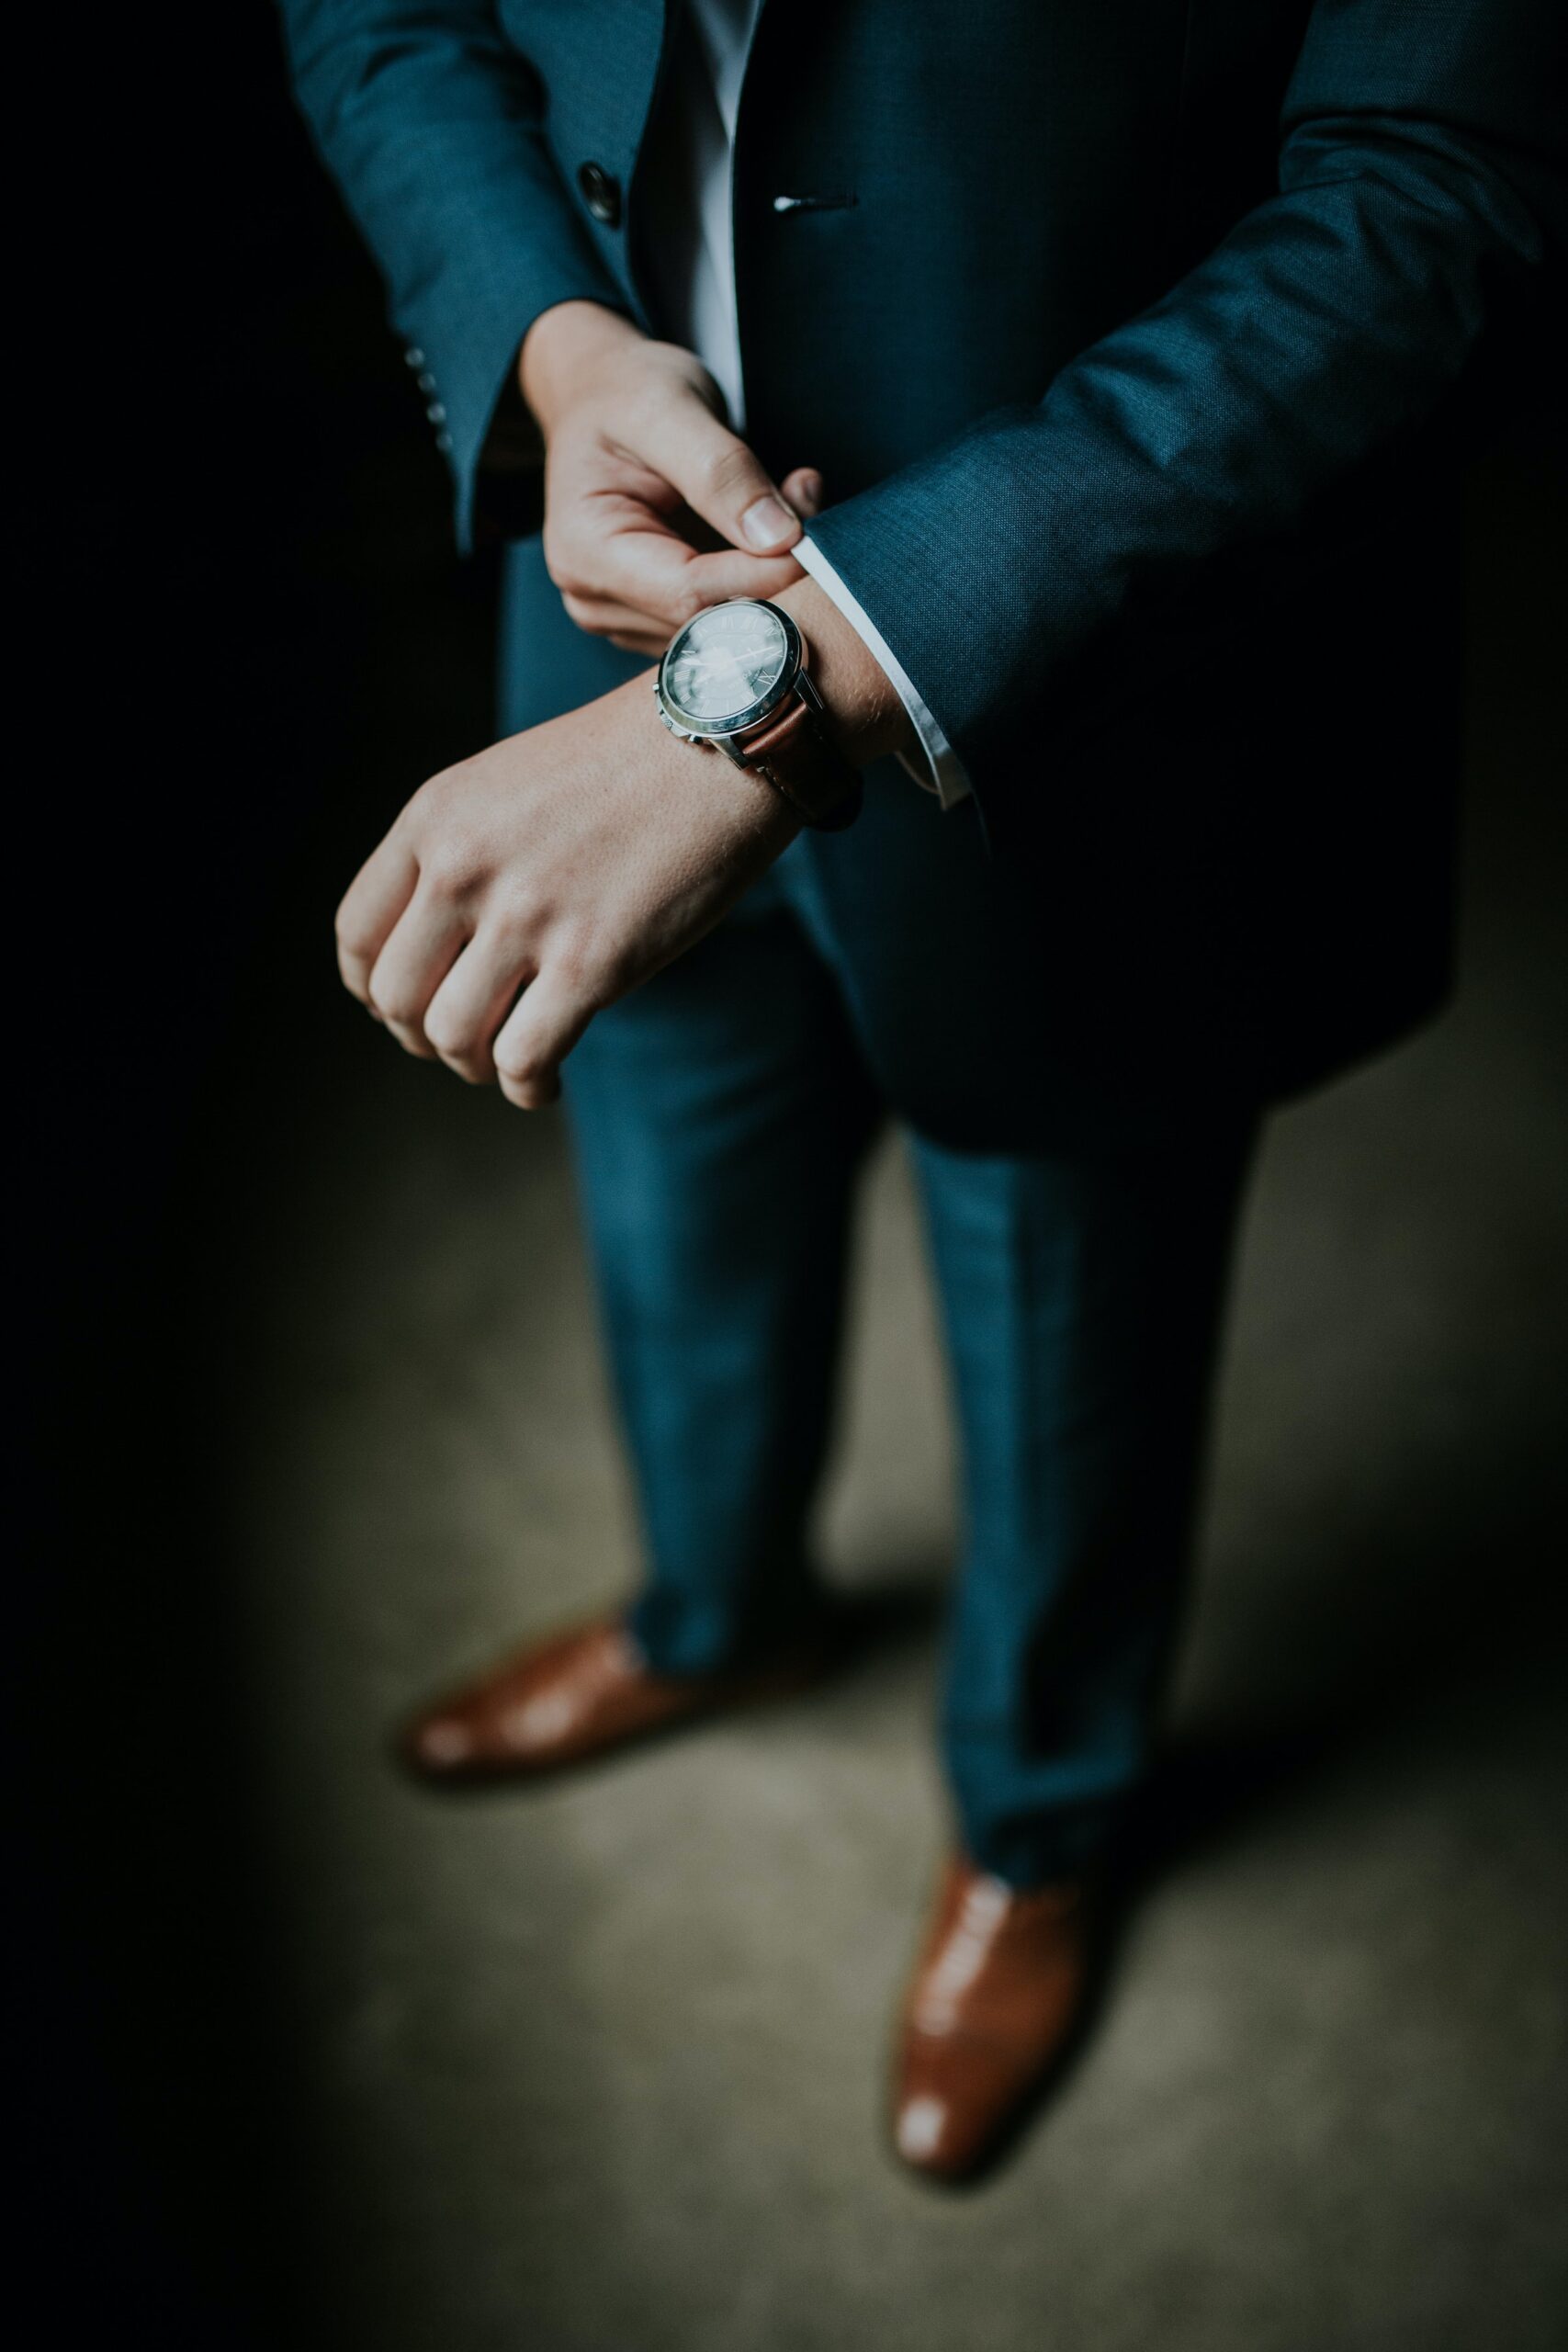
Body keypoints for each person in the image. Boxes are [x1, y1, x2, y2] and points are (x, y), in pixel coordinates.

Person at [278, 0, 1562, 2181]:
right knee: (668, 1180)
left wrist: (782, 689)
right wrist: (552, 346)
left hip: (1092, 687)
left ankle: (1036, 1823)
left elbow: (1432, 185)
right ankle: (719, 1612)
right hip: (584, 607)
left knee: (1070, 1285)